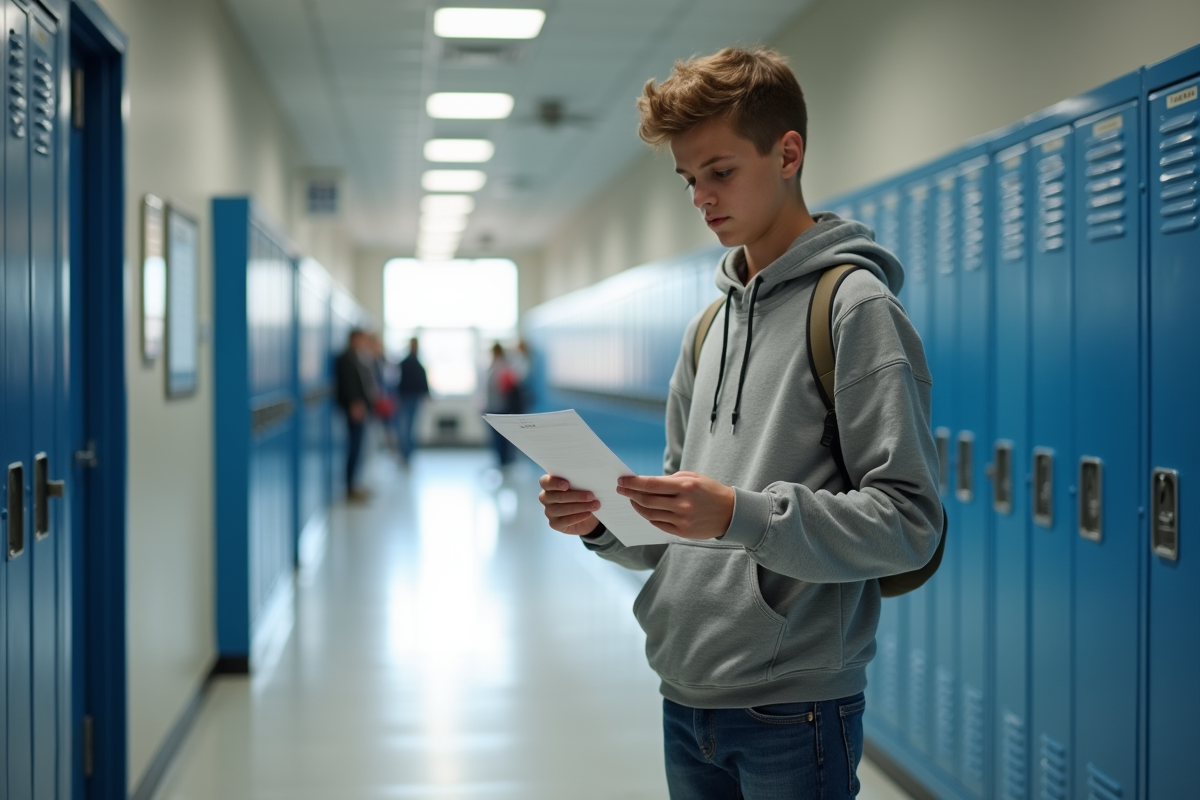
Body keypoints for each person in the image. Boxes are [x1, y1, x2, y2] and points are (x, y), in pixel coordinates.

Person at [537, 47, 942, 799]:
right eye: (691, 179)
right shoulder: (706, 329)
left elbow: (910, 521)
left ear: (787, 153)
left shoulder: (854, 311)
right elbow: (674, 529)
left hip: (794, 704)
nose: (702, 197)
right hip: (686, 693)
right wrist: (601, 520)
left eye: (720, 172)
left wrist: (740, 514)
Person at [335, 328, 378, 502]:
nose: (364, 343)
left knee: (359, 447)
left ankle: (355, 484)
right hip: (354, 409)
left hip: (361, 408)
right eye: (361, 339)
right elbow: (348, 383)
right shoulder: (346, 358)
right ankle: (350, 487)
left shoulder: (359, 357)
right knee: (354, 447)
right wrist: (355, 403)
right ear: (353, 339)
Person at [485, 342, 521, 467]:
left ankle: (504, 463)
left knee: (501, 439)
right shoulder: (495, 367)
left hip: (500, 408)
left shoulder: (502, 368)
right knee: (498, 438)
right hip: (493, 407)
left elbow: (505, 388)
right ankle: (502, 462)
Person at [396, 336, 430, 465]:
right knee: (405, 427)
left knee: (410, 428)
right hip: (405, 398)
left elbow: (422, 379)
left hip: (414, 398)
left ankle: (408, 454)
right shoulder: (405, 363)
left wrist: (426, 393)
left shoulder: (416, 362)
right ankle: (405, 453)